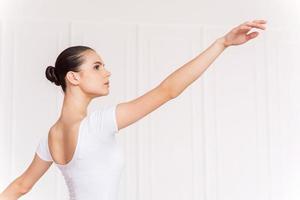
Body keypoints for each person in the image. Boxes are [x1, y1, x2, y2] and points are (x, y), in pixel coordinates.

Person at [0, 19, 267, 200]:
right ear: (73, 77)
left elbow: (21, 186)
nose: (107, 71)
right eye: (96, 66)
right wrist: (221, 43)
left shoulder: (50, 137)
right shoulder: (98, 125)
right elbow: (168, 91)